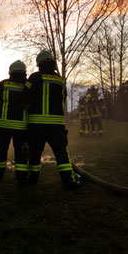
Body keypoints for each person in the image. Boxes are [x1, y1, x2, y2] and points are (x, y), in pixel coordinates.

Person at [23, 50, 80, 190]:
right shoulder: (61, 80)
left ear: (39, 64)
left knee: (35, 153)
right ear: (53, 64)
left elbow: (25, 96)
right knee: (61, 153)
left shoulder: (34, 78)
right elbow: (63, 99)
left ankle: (33, 179)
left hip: (36, 125)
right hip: (56, 125)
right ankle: (69, 182)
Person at [0, 60, 29, 184]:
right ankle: (21, 178)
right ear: (24, 72)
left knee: (1, 150)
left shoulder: (3, 84)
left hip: (3, 126)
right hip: (21, 128)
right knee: (21, 153)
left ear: (10, 71)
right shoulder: (28, 86)